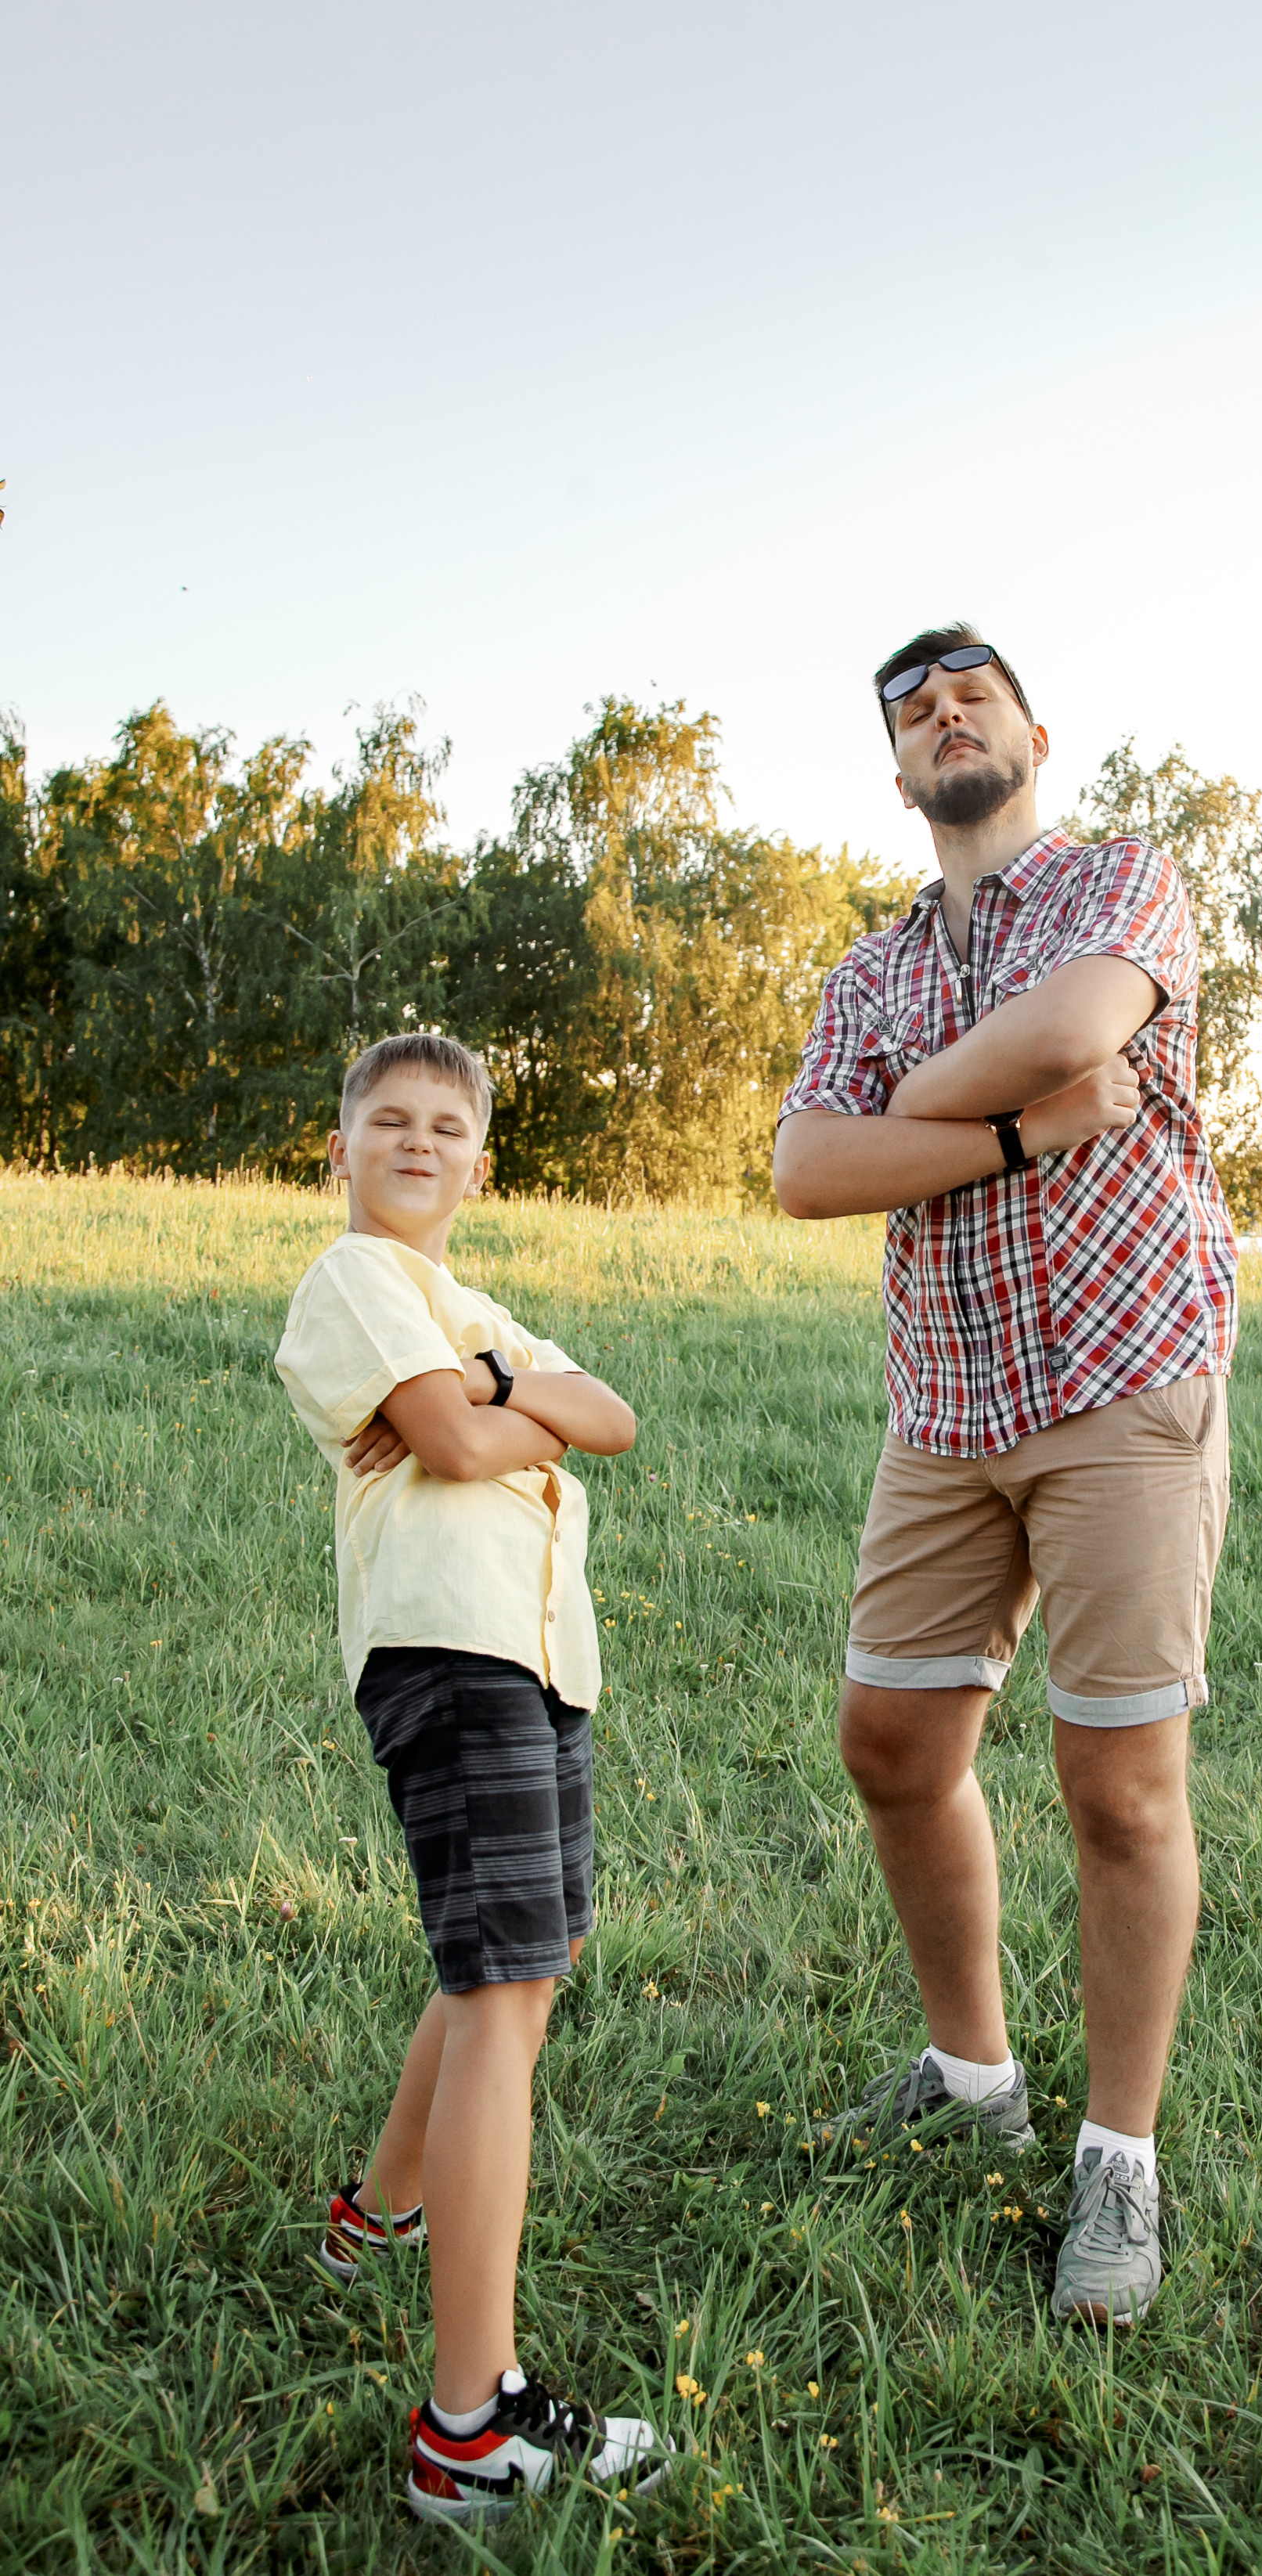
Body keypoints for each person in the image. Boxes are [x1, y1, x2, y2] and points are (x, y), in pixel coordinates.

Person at [773, 624, 1238, 2327]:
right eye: (910, 711)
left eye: (967, 692)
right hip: (944, 1397)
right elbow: (806, 1167)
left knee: (1118, 1783)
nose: (941, 714)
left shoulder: (1116, 875)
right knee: (892, 1742)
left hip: (1124, 1368)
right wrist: (1022, 1124)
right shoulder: (868, 968)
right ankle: (971, 2071)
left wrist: (917, 1109)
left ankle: (1118, 2151)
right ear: (896, 774)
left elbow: (1078, 1018)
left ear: (1029, 730)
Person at [276, 1032, 665, 2526]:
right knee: (502, 1989)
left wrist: (505, 1380)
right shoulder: (357, 1276)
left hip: (539, 1653)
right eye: (390, 1120)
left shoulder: (468, 1308)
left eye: (448, 1124)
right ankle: (469, 2428)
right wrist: (525, 1411)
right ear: (344, 1148)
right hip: (451, 1650)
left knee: (517, 1962)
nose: (419, 1141)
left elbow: (615, 1415)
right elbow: (441, 1442)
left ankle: (376, 2216)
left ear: (482, 1162)